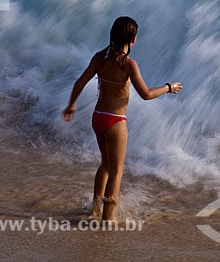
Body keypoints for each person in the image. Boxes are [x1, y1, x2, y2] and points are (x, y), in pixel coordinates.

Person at [62, 16, 183, 222]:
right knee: (117, 171)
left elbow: (80, 82)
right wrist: (168, 87)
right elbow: (145, 94)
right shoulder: (128, 64)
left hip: (98, 118)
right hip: (116, 121)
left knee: (105, 165)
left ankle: (95, 210)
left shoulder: (99, 57)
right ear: (133, 39)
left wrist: (71, 104)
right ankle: (107, 219)